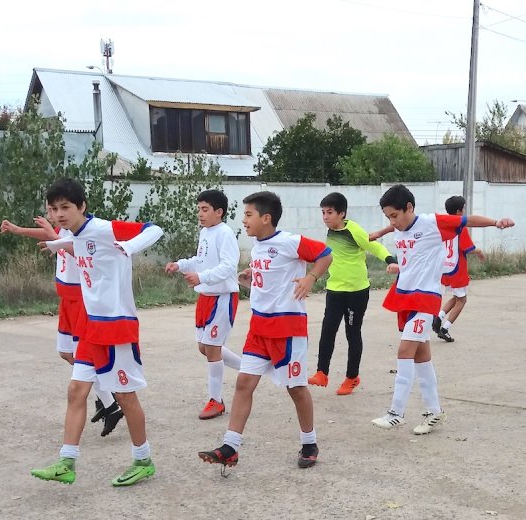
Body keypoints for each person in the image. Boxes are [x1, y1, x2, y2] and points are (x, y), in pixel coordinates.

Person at [30, 177, 163, 486]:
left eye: (65, 207)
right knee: (76, 390)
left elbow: (153, 228)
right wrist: (56, 244)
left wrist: (128, 247)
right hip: (92, 326)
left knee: (125, 396)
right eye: (53, 209)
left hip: (116, 326)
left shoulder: (103, 228)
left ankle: (143, 460)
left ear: (82, 207)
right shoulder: (77, 235)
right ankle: (67, 461)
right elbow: (81, 248)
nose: (59, 214)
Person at [198, 191, 332, 473]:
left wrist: (311, 277)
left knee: (295, 389)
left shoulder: (288, 242)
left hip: (287, 328)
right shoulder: (258, 247)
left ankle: (309, 443)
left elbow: (325, 254)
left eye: (248, 215)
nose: (243, 220)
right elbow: (269, 284)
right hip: (259, 328)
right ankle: (230, 447)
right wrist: (250, 281)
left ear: (266, 218)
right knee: (244, 383)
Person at [370, 184, 514, 434]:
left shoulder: (431, 223)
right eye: (387, 217)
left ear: (409, 208)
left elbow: (466, 220)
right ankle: (434, 411)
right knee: (420, 356)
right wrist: (397, 266)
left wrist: (495, 222)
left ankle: (396, 412)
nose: (392, 221)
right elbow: (410, 257)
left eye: (395, 215)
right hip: (405, 295)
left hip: (426, 298)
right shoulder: (399, 231)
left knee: (405, 349)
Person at [0, 214, 124, 437]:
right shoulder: (64, 230)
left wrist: (50, 233)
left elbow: (66, 244)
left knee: (86, 359)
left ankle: (110, 403)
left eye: (60, 208)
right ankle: (107, 399)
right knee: (67, 353)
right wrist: (19, 230)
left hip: (80, 301)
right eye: (51, 209)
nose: (53, 214)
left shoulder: (85, 233)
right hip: (66, 300)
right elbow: (54, 237)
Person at [307, 192, 396, 395]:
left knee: (352, 333)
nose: (325, 217)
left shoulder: (352, 230)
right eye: (323, 213)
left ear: (342, 213)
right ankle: (322, 372)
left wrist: (390, 260)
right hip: (335, 289)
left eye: (329, 212)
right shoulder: (330, 232)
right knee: (327, 330)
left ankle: (352, 377)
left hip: (356, 292)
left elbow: (373, 245)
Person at [165, 189, 243, 420]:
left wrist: (203, 277)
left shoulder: (225, 233)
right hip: (206, 297)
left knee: (212, 350)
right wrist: (180, 265)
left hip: (222, 297)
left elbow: (229, 266)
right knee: (204, 347)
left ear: (219, 212)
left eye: (205, 209)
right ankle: (250, 368)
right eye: (199, 209)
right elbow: (199, 261)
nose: (200, 214)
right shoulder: (205, 232)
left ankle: (216, 401)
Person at [432, 195, 486, 343]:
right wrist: (479, 252)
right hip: (457, 268)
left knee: (456, 297)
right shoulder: (460, 227)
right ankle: (445, 328)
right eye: (463, 208)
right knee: (462, 300)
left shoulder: (442, 225)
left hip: (445, 268)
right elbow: (467, 248)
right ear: (458, 211)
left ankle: (439, 317)